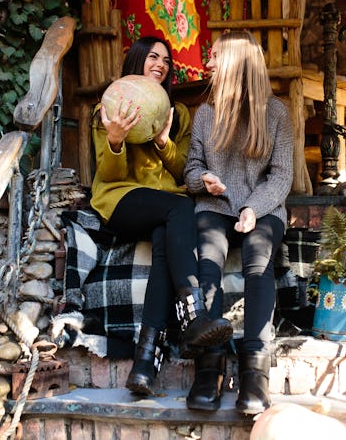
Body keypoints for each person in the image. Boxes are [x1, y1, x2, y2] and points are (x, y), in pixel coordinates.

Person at [90, 36, 233, 396]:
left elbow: (185, 169)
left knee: (164, 238)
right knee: (180, 208)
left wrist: (164, 142)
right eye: (153, 56)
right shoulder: (108, 109)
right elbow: (109, 174)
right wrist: (117, 140)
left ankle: (144, 365)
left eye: (167, 61)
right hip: (121, 199)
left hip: (165, 206)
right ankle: (193, 315)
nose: (161, 64)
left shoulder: (178, 113)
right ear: (137, 61)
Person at [184, 31, 294, 414]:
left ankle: (254, 367)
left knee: (258, 260)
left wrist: (253, 207)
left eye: (213, 56)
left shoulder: (276, 113)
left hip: (262, 209)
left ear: (234, 63)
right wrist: (204, 181)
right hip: (215, 208)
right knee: (209, 259)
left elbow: (281, 177)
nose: (207, 63)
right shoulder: (206, 114)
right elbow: (192, 169)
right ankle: (209, 366)